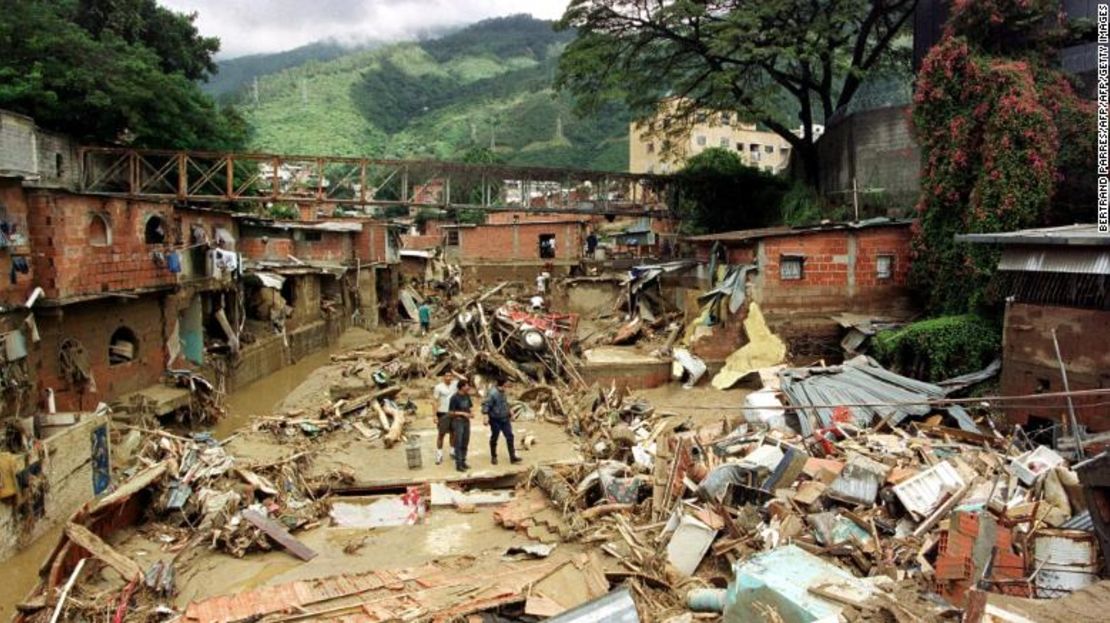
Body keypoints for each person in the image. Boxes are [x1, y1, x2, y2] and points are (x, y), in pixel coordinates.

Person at [482, 378, 521, 465]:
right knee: (495, 437)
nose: (509, 385)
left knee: (510, 436)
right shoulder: (492, 393)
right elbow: (486, 405)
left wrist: (511, 413)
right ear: (503, 384)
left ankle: (512, 456)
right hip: (495, 419)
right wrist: (485, 416)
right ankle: (494, 456)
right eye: (507, 383)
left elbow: (506, 403)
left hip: (505, 418)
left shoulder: (504, 392)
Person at [448, 380, 474, 472]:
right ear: (462, 387)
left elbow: (470, 407)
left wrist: (471, 413)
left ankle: (463, 461)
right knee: (458, 443)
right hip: (458, 422)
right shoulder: (454, 398)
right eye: (467, 386)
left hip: (466, 422)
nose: (469, 387)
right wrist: (463, 413)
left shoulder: (467, 396)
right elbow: (450, 413)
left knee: (465, 442)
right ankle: (458, 464)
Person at [432, 372, 458, 465]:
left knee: (453, 433)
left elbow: (465, 380)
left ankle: (452, 451)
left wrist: (455, 372)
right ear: (443, 377)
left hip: (454, 413)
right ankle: (439, 455)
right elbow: (434, 401)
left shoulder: (455, 384)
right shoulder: (438, 387)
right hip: (442, 413)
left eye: (450, 375)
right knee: (441, 434)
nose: (448, 377)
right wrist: (434, 415)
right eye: (446, 375)